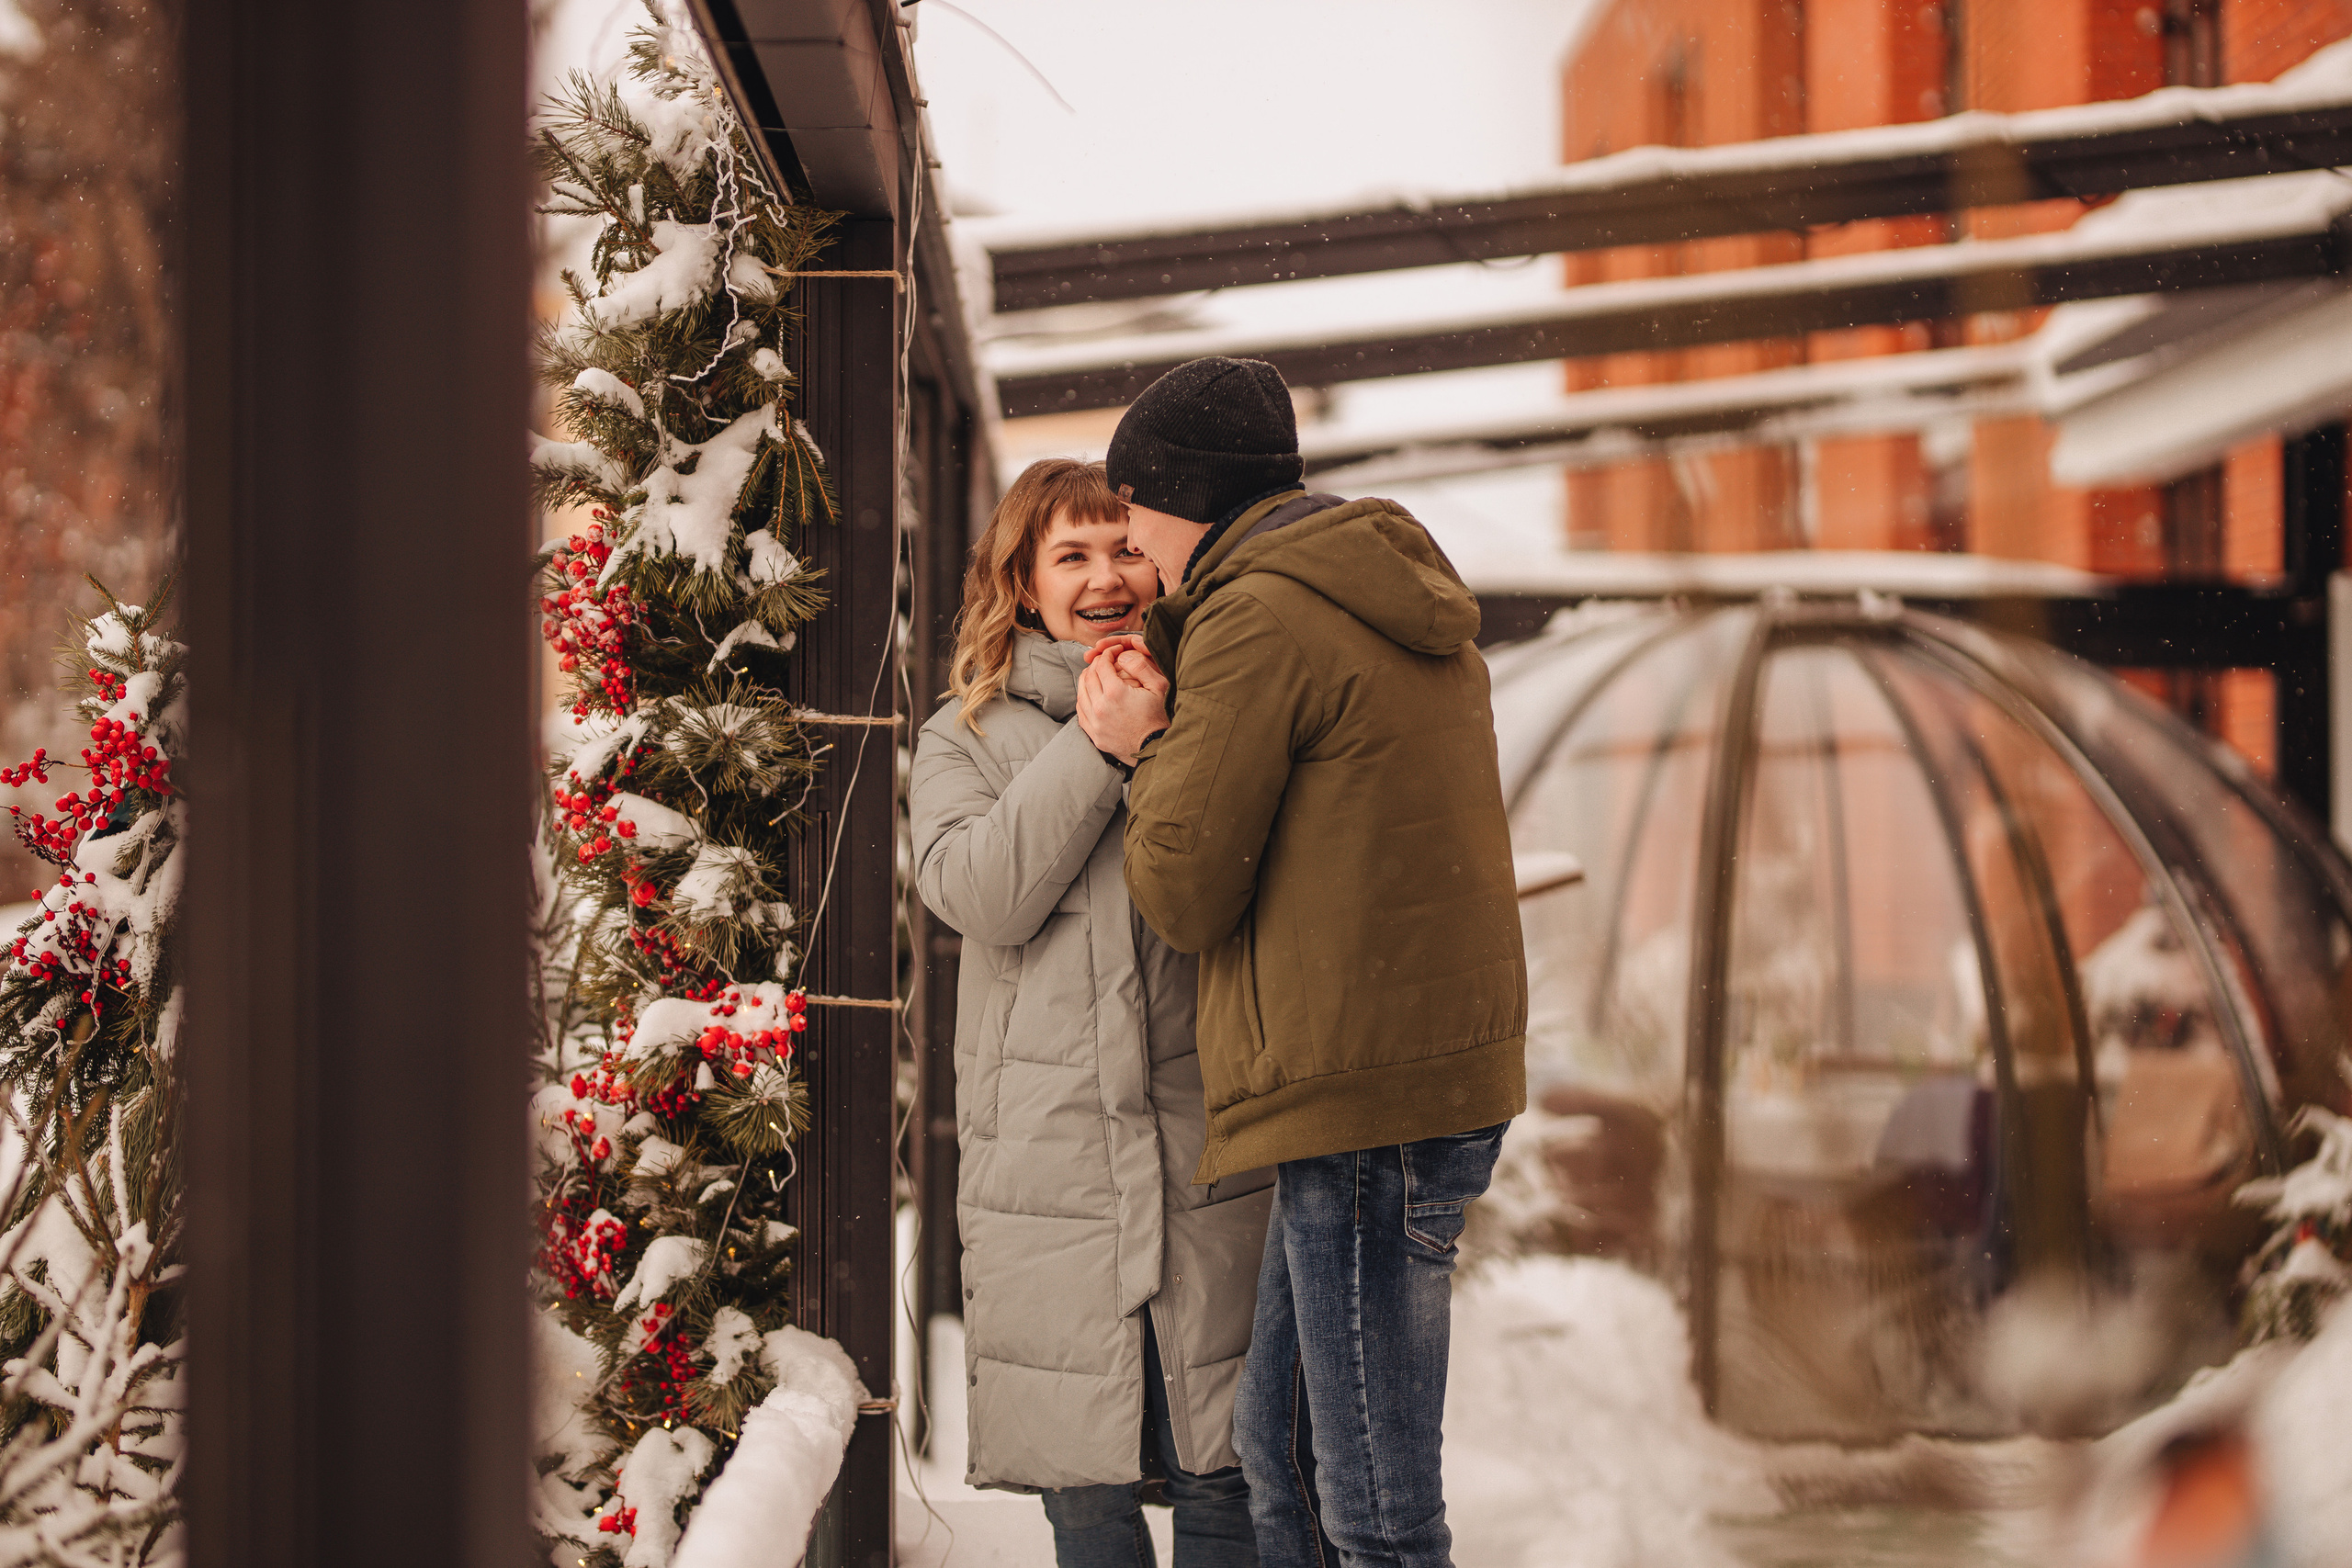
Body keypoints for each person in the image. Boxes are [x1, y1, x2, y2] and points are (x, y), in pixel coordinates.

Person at [1072, 357, 1528, 1568]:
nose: (1129, 548)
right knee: (1282, 1457)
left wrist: (1138, 744)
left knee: (1372, 1503)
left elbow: (1183, 886)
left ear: (1180, 495)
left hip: (1361, 1091)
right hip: (1398, 1073)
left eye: (1133, 512)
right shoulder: (1368, 587)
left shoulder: (1256, 614)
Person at [910, 457, 1273, 1568]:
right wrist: (1096, 743)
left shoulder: (1216, 703)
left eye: (1125, 547)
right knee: (1090, 1497)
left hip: (1207, 1146)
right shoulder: (961, 737)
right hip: (1054, 1175)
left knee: (1228, 1474)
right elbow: (979, 894)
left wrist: (1162, 730)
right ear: (1022, 582)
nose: (1107, 575)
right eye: (1071, 554)